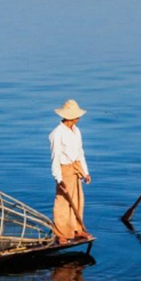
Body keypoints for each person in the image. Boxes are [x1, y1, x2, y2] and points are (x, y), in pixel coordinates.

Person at [49, 99, 91, 242]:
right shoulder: (57, 133)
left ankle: (77, 229)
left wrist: (85, 172)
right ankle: (61, 233)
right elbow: (55, 158)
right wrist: (59, 178)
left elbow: (80, 152)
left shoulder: (76, 131)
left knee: (78, 200)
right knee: (62, 201)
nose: (79, 118)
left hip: (76, 167)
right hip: (65, 169)